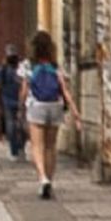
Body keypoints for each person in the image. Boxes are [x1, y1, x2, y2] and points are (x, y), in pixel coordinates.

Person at [22, 30, 79, 199]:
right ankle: (50, 180)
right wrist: (75, 112)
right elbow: (65, 90)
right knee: (50, 146)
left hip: (36, 106)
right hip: (55, 106)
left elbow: (24, 91)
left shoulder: (28, 66)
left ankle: (42, 178)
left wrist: (21, 106)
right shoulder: (55, 66)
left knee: (37, 146)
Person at [0, 45, 28, 161]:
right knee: (13, 127)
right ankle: (15, 151)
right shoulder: (3, 69)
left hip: (20, 101)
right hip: (9, 102)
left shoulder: (20, 68)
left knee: (20, 127)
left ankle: (20, 149)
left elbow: (26, 83)